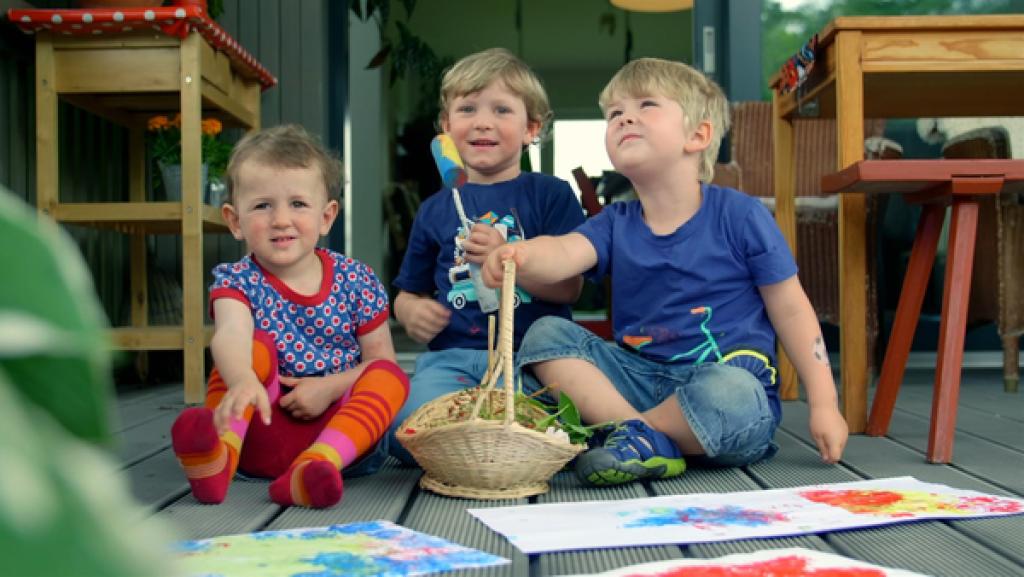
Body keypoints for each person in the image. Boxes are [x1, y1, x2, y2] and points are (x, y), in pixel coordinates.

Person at [482, 58, 848, 487]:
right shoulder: (616, 221)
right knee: (546, 333)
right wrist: (519, 255)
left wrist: (824, 403)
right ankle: (639, 434)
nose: (625, 117)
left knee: (731, 394)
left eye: (646, 105)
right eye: (614, 113)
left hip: (721, 394)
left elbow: (791, 310)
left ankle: (625, 433)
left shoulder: (739, 215)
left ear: (698, 135)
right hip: (638, 379)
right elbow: (564, 252)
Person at [170, 124, 409, 508]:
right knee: (253, 346)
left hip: (343, 441)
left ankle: (313, 468)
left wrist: (329, 386)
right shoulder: (237, 281)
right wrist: (244, 379)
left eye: (298, 204)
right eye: (263, 205)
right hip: (259, 430)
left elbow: (381, 360)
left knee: (391, 376)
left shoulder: (355, 279)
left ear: (327, 216)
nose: (281, 219)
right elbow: (229, 333)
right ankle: (219, 458)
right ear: (234, 220)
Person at [389, 47, 585, 464]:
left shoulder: (550, 195)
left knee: (560, 427)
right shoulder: (435, 208)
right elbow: (408, 291)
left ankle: (484, 446)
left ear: (532, 127)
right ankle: (473, 445)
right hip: (452, 362)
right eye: (467, 109)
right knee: (404, 434)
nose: (482, 121)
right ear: (446, 127)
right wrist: (409, 313)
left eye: (501, 110)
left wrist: (509, 259)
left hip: (531, 362)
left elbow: (570, 287)